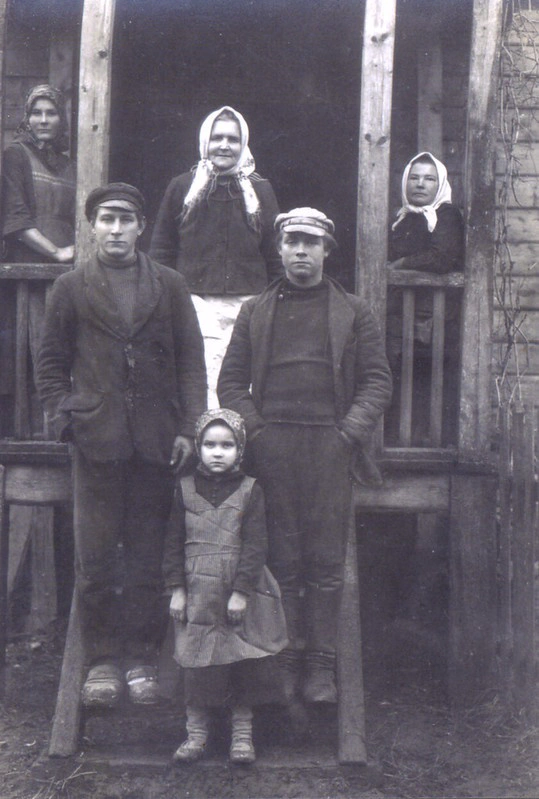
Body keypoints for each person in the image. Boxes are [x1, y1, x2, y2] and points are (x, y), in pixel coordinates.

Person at [36, 182, 207, 708]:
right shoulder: (70, 287)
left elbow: (191, 363)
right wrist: (67, 419)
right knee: (95, 560)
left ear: (140, 226)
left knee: (147, 558)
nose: (115, 229)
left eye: (125, 220)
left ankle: (140, 658)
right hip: (96, 440)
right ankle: (103, 661)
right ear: (92, 225)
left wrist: (187, 427)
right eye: (106, 219)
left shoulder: (170, 285)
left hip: (156, 443)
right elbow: (50, 365)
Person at [217, 208, 392, 706]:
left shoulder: (354, 310)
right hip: (274, 446)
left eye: (310, 243)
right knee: (283, 558)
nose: (300, 250)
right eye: (292, 241)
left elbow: (377, 380)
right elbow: (231, 382)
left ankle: (321, 666)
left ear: (326, 251)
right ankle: (288, 661)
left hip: (329, 445)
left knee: (325, 560)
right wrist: (260, 433)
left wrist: (348, 433)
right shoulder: (256, 309)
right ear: (278, 248)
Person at [163, 408, 288, 764]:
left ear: (240, 450)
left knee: (241, 663)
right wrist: (177, 589)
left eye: (227, 445)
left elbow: (256, 546)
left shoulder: (251, 491)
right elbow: (172, 544)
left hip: (235, 591)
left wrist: (241, 593)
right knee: (196, 662)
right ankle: (196, 736)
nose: (218, 452)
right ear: (199, 448)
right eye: (210, 445)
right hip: (196, 590)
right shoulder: (184, 489)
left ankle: (242, 739)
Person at [150, 106, 280, 405]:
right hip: (194, 303)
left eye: (233, 139)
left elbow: (274, 253)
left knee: (242, 382)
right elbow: (162, 250)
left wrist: (271, 302)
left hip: (248, 304)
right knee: (201, 382)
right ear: (204, 142)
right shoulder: (182, 186)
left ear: (243, 143)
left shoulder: (260, 188)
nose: (224, 145)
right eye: (217, 137)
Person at [1, 84, 75, 435]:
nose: (44, 120)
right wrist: (57, 253)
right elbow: (14, 220)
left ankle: (59, 432)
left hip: (65, 278)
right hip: (29, 277)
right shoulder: (15, 155)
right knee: (29, 355)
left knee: (63, 356)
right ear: (27, 118)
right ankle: (33, 434)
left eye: (52, 112)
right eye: (37, 113)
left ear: (62, 119)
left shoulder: (69, 165)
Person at [386, 151, 464, 445]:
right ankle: (395, 441)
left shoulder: (446, 215)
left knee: (427, 380)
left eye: (429, 179)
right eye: (414, 177)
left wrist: (401, 265)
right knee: (396, 378)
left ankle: (426, 443)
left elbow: (442, 257)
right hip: (399, 316)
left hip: (433, 319)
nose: (420, 184)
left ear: (440, 184)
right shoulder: (402, 217)